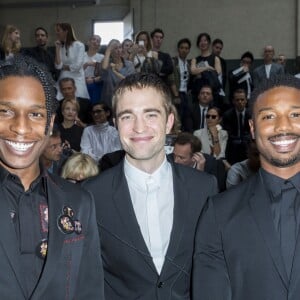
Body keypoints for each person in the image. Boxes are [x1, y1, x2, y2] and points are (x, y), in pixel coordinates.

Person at [83, 73, 218, 299]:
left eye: (151, 114)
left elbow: (212, 269)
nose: (139, 127)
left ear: (169, 122)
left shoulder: (204, 188)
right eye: (127, 116)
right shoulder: (91, 194)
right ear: (115, 124)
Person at [0, 56, 104, 299]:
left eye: (35, 114)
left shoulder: (79, 202)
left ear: (50, 124)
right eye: (5, 111)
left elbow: (89, 290)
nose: (21, 128)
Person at [193, 74, 300, 300]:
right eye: (269, 116)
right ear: (252, 128)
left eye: (295, 114)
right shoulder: (218, 213)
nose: (283, 126)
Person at [54, 23, 89, 100]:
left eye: (58, 30)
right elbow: (58, 66)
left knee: (79, 103)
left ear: (66, 31)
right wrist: (57, 48)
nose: (56, 33)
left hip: (77, 80)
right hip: (63, 78)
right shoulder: (61, 47)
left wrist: (64, 67)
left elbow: (77, 66)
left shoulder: (79, 45)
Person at [100, 39, 135, 107]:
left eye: (120, 47)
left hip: (125, 99)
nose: (119, 50)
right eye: (115, 48)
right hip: (108, 100)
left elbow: (130, 81)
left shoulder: (129, 64)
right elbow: (104, 68)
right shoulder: (106, 63)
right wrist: (108, 50)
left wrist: (115, 72)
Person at [222, 88, 252, 164]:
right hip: (233, 144)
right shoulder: (227, 115)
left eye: (242, 99)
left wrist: (243, 140)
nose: (240, 102)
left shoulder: (252, 114)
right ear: (233, 101)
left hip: (247, 144)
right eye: (237, 100)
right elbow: (228, 133)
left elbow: (252, 132)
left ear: (246, 100)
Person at [83, 34, 104, 104]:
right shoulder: (81, 55)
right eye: (93, 39)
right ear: (88, 42)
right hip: (82, 82)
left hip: (96, 83)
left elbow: (104, 75)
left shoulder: (102, 57)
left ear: (99, 45)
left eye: (98, 41)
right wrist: (86, 64)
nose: (95, 42)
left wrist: (93, 80)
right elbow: (76, 72)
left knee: (94, 105)